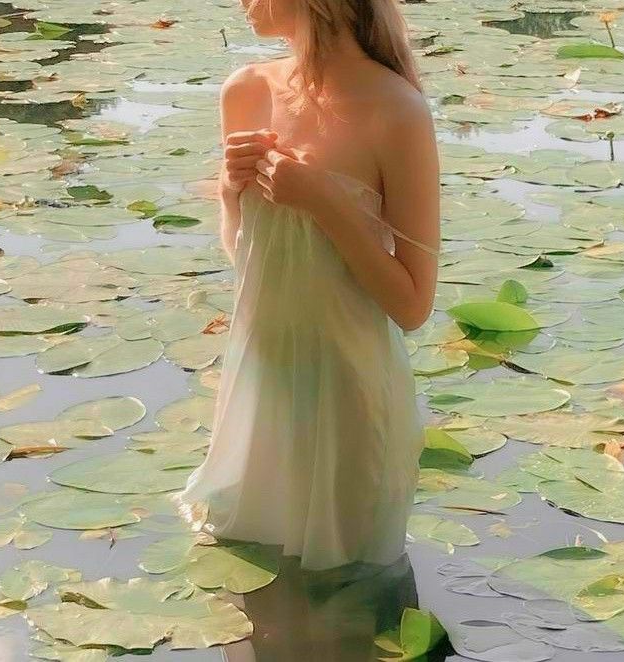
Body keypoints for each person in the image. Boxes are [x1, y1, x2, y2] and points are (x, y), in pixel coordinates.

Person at [173, 0, 440, 573]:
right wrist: (228, 191)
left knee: (348, 608)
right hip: (260, 390)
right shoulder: (246, 91)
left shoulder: (397, 110)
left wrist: (324, 202)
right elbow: (247, 256)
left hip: (348, 396)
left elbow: (413, 305)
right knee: (254, 606)